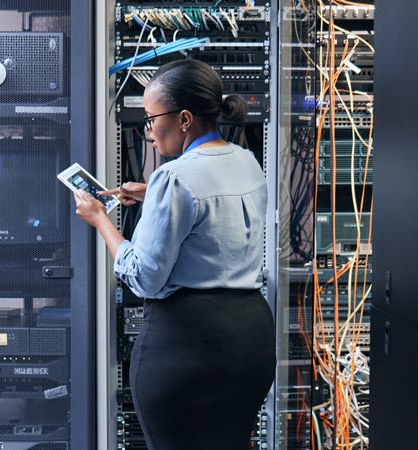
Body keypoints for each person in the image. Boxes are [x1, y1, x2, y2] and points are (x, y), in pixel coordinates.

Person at [73, 59, 276, 450]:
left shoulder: (174, 176)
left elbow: (144, 275)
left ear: (184, 118)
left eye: (152, 118)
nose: (148, 132)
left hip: (188, 349)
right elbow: (217, 211)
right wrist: (154, 195)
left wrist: (101, 221)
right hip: (250, 342)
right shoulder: (246, 161)